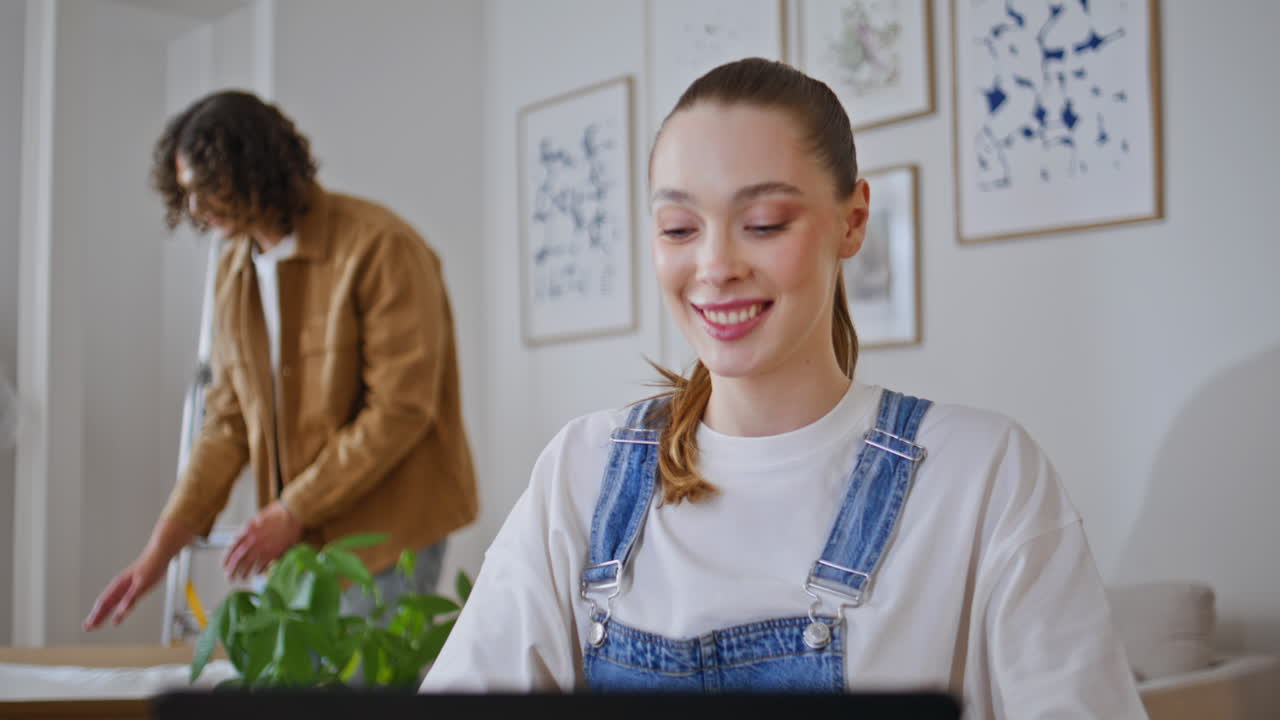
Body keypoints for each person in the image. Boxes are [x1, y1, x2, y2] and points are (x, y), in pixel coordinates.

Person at [421, 59, 1146, 716]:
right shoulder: (581, 472)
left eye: (763, 223)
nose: (714, 264)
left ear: (853, 220)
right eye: (678, 228)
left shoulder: (983, 477)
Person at [83, 90, 478, 631]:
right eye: (186, 193)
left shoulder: (381, 247)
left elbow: (400, 411)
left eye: (206, 188)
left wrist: (292, 512)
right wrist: (160, 551)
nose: (196, 208)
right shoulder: (233, 273)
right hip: (297, 534)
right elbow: (227, 424)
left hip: (387, 530)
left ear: (255, 168)